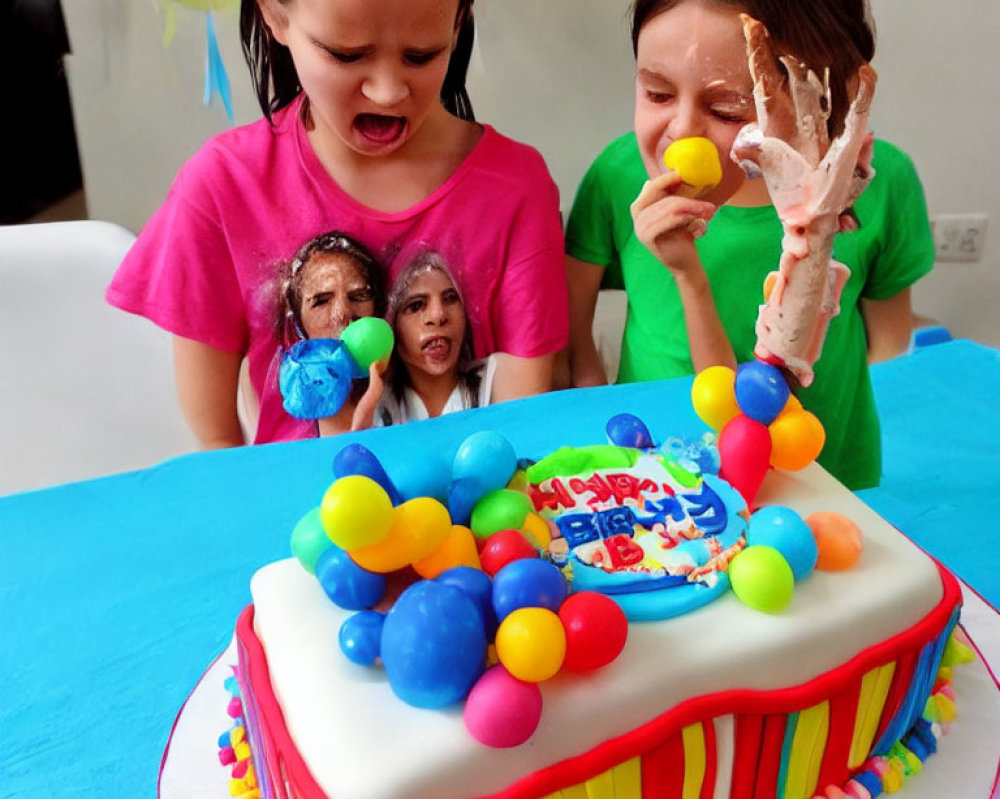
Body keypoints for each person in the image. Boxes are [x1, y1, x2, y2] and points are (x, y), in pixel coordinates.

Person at [106, 0, 567, 448]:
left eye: (421, 55)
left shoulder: (516, 188)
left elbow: (517, 427)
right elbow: (217, 442)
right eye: (346, 54)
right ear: (274, 14)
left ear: (461, 18)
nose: (387, 91)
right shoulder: (222, 186)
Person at [563, 0, 933, 490]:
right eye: (656, 93)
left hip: (824, 475)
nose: (680, 133)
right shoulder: (617, 175)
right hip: (658, 473)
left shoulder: (878, 182)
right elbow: (572, 330)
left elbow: (889, 341)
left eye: (726, 109)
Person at [266, 230, 387, 438]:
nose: (342, 314)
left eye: (359, 296)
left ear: (379, 308)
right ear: (298, 324)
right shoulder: (301, 393)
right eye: (321, 301)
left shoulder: (412, 372)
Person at [377, 251, 498, 424]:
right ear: (391, 326)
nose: (438, 315)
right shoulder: (375, 405)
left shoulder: (497, 378)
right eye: (416, 305)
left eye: (450, 298)